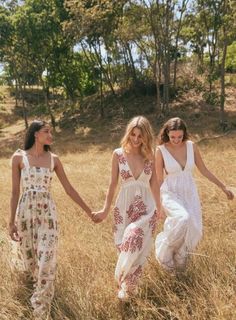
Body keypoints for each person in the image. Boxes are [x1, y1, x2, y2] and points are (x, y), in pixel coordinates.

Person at [9, 120, 92, 320]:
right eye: (47, 131)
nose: (50, 135)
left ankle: (40, 308)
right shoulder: (19, 157)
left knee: (47, 259)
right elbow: (14, 192)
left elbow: (69, 189)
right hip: (26, 215)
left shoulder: (54, 159)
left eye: (50, 132)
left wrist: (90, 212)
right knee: (29, 264)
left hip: (48, 217)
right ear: (36, 134)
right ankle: (28, 295)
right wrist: (10, 222)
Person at [92, 116, 162, 300]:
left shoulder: (150, 155)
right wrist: (105, 210)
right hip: (123, 208)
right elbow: (112, 185)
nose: (136, 139)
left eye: (141, 135)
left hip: (147, 208)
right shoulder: (118, 154)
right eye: (133, 134)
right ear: (128, 134)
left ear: (146, 137)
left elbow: (155, 184)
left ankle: (121, 280)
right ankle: (128, 290)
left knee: (134, 237)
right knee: (125, 247)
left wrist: (160, 208)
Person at [155, 117, 234, 271]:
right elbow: (158, 180)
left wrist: (223, 187)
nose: (176, 140)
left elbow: (204, 170)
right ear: (167, 134)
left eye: (180, 136)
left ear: (184, 133)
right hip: (170, 192)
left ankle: (180, 262)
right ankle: (165, 250)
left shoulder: (191, 146)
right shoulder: (161, 150)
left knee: (194, 228)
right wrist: (159, 205)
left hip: (189, 192)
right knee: (182, 218)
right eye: (172, 137)